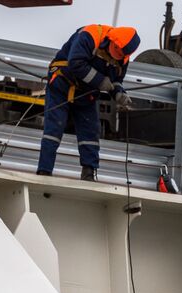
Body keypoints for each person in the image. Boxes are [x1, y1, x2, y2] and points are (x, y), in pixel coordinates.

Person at [37, 24, 141, 182]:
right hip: (62, 84)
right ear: (112, 40)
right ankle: (44, 171)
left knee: (90, 132)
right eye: (116, 49)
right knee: (54, 129)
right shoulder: (90, 35)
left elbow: (116, 80)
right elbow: (75, 63)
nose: (117, 55)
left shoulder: (123, 60)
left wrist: (119, 94)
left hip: (87, 93)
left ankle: (88, 173)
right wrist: (100, 81)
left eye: (121, 53)